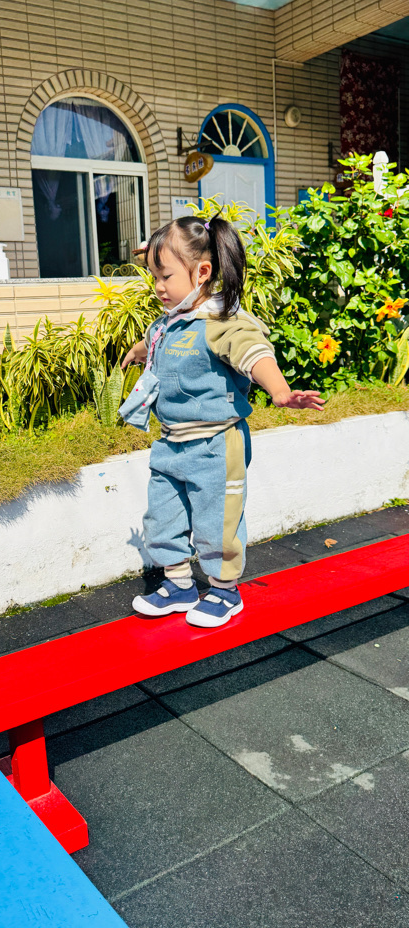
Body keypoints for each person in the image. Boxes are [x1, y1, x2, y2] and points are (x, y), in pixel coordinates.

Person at [120, 214, 324, 629]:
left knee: (218, 520)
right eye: (154, 276)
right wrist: (139, 351)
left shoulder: (222, 322)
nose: (158, 286)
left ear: (202, 272)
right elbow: (156, 339)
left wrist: (280, 391)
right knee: (163, 516)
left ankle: (225, 590)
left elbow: (254, 354)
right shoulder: (170, 321)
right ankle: (179, 585)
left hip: (216, 445)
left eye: (165, 276)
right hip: (171, 443)